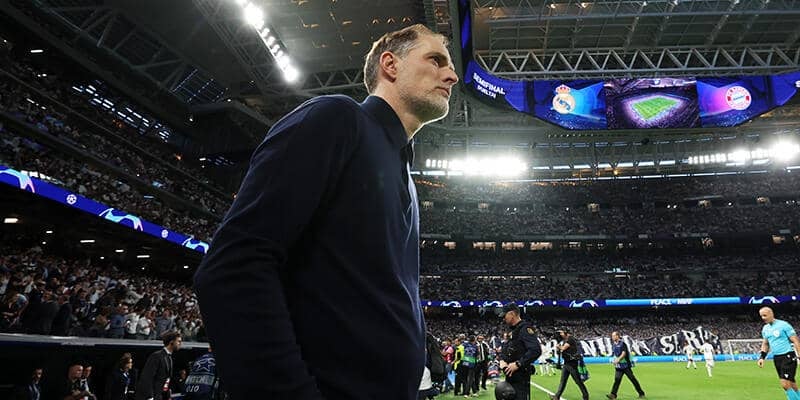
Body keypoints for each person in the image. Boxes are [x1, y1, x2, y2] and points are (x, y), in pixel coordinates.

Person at [192, 23, 458, 400]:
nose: (452, 75)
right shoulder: (337, 118)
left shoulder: (406, 177)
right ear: (390, 65)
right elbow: (235, 267)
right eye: (436, 60)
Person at [498, 303, 541, 400]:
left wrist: (518, 364)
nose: (503, 319)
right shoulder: (513, 331)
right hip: (510, 377)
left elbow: (535, 350)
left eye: (505, 316)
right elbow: (506, 349)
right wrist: (502, 360)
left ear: (512, 314)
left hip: (521, 378)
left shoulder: (525, 329)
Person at [757, 307, 800, 400]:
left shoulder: (784, 325)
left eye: (765, 315)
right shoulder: (765, 328)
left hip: (788, 356)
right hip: (777, 358)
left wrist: (799, 355)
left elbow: (795, 340)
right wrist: (762, 357)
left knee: (785, 384)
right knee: (792, 383)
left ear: (771, 314)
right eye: (761, 316)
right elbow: (765, 344)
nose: (763, 318)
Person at [135, 331, 182, 400]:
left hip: (160, 396)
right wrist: (150, 397)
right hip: (152, 396)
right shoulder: (157, 356)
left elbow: (166, 379)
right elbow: (147, 377)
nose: (180, 344)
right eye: (178, 341)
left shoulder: (169, 358)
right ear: (171, 342)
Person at [550, 328, 589, 400]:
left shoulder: (570, 339)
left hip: (572, 364)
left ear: (566, 332)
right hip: (566, 363)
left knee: (578, 382)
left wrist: (558, 346)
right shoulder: (565, 340)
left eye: (561, 333)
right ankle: (557, 396)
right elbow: (561, 351)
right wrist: (558, 348)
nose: (560, 334)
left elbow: (563, 348)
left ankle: (586, 396)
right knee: (563, 381)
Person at [606, 331, 645, 400]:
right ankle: (613, 395)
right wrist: (614, 360)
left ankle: (641, 393)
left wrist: (618, 359)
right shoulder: (614, 344)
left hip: (626, 366)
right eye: (612, 336)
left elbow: (624, 353)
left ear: (617, 336)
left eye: (613, 336)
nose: (612, 337)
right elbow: (615, 354)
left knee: (632, 379)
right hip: (619, 366)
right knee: (617, 380)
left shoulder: (622, 344)